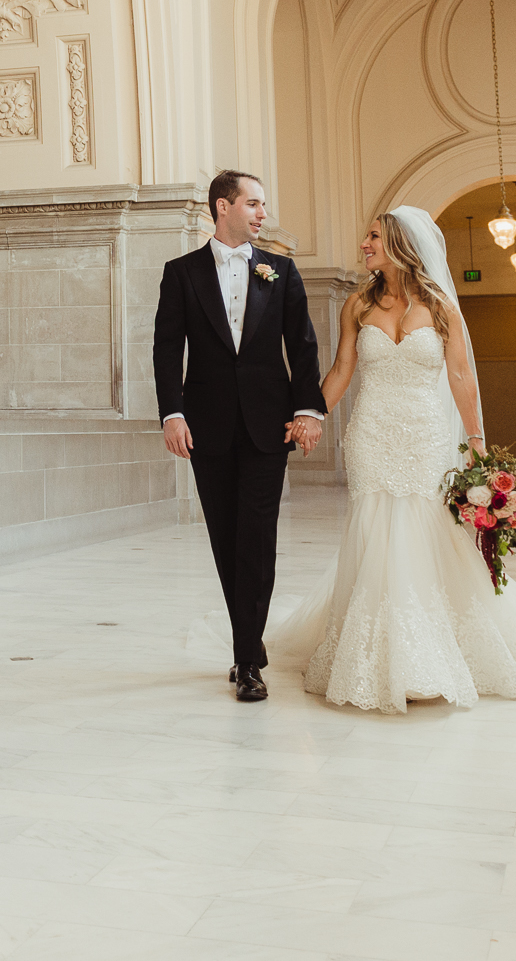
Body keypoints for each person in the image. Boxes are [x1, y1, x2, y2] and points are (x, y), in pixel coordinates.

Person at [268, 206, 516, 712]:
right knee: (372, 530)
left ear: (398, 244)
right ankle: (374, 650)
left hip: (426, 437)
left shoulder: (439, 307)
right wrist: (312, 414)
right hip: (372, 433)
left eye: (372, 236)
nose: (364, 244)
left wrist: (477, 441)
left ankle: (429, 652)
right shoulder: (357, 305)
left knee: (423, 530)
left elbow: (460, 377)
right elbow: (343, 368)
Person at [153, 170, 324, 702]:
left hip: (267, 426)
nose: (262, 214)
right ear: (223, 207)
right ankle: (250, 638)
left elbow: (302, 346)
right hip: (205, 428)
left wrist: (309, 410)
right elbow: (165, 349)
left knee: (257, 539)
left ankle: (246, 659)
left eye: (263, 205)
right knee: (225, 540)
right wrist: (172, 415)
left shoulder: (282, 271)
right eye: (253, 204)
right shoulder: (180, 273)